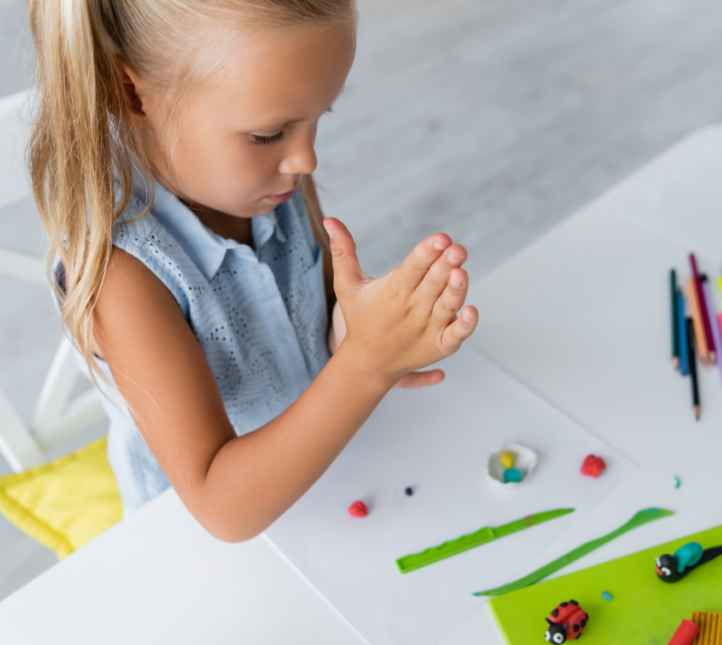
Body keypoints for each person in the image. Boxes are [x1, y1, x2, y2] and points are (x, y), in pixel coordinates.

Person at [27, 0, 477, 542]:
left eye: (318, 118)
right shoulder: (120, 274)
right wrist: (365, 367)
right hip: (196, 549)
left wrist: (359, 331)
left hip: (333, 484)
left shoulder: (267, 181)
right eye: (269, 133)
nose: (305, 159)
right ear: (130, 94)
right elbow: (221, 507)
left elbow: (314, 316)